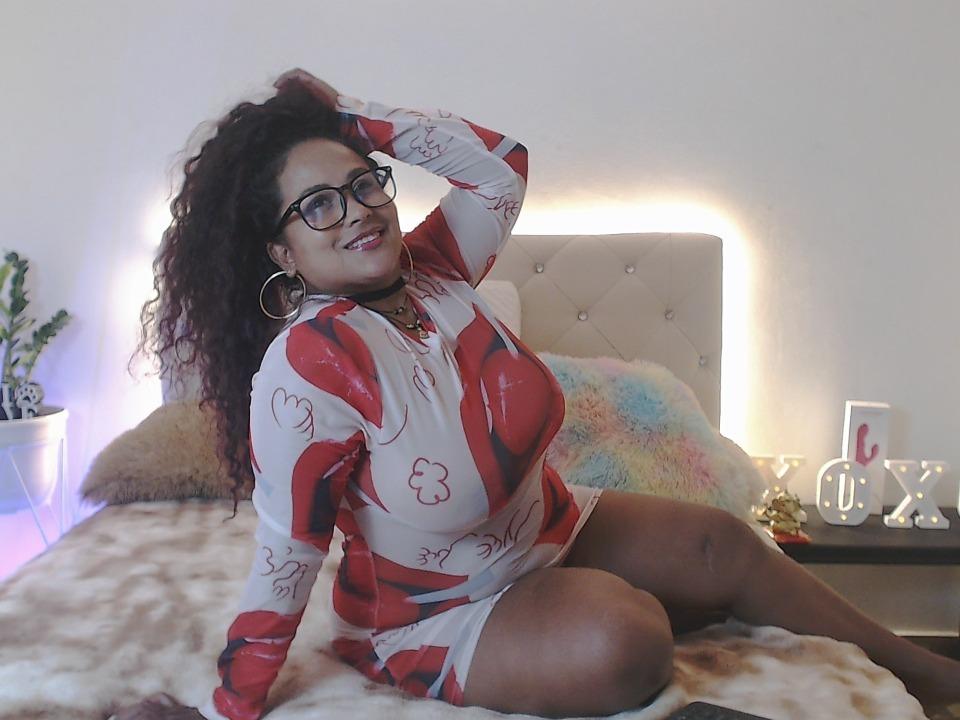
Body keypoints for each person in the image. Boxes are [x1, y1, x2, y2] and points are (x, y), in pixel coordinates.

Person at [117, 69, 960, 720]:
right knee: (625, 640)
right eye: (319, 206)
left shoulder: (437, 269)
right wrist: (229, 706)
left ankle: (927, 673)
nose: (359, 211)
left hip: (551, 524)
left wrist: (339, 117)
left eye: (367, 183)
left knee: (723, 543)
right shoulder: (307, 368)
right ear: (281, 251)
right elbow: (286, 554)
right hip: (436, 611)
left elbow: (501, 166)